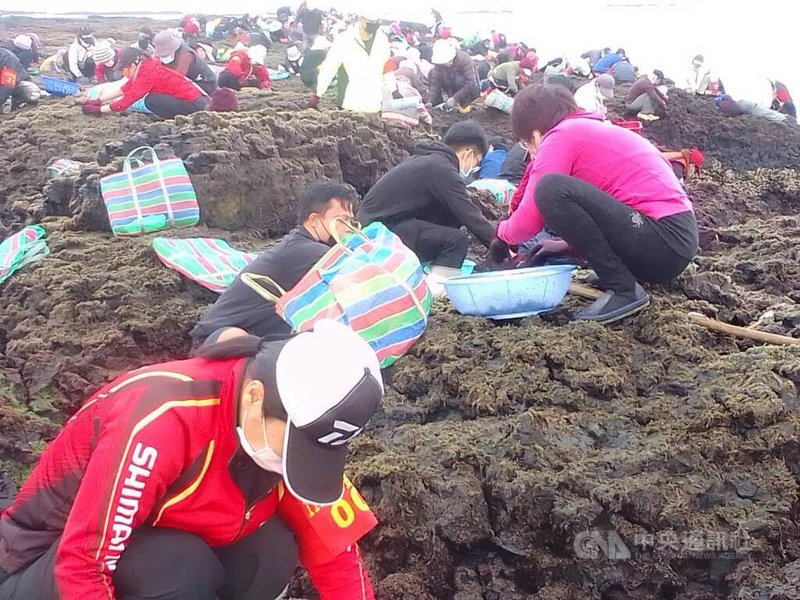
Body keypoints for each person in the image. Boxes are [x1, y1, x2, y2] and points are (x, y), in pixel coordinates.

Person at [0, 318, 384, 600]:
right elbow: (82, 563)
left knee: (271, 552)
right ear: (253, 397)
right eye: (292, 446)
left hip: (159, 538)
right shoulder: (162, 419)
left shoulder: (297, 429)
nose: (293, 462)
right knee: (179, 568)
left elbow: (337, 553)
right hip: (40, 564)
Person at [491, 85, 698, 323]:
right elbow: (601, 210)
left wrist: (501, 233)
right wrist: (567, 246)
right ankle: (622, 277)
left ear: (535, 133)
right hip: (668, 244)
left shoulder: (562, 135)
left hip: (664, 241)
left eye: (527, 143)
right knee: (556, 189)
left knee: (550, 188)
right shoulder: (587, 129)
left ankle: (623, 290)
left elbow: (529, 220)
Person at [191, 182, 358, 345]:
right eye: (342, 221)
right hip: (216, 339)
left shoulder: (300, 244)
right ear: (314, 220)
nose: (349, 228)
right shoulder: (306, 251)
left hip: (255, 338)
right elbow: (361, 269)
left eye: (351, 221)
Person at [357, 121, 495, 282]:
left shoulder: (427, 161)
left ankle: (421, 276)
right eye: (477, 161)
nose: (474, 167)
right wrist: (503, 246)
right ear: (468, 153)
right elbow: (470, 215)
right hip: (381, 235)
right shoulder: (441, 169)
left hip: (375, 228)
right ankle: (434, 289)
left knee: (450, 219)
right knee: (456, 241)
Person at [82, 47, 210, 119]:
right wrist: (99, 100)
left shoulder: (146, 75)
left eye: (123, 69)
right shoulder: (146, 66)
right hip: (198, 98)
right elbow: (125, 88)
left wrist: (99, 110)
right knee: (152, 98)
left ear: (132, 65)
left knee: (151, 100)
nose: (123, 73)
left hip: (194, 104)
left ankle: (178, 118)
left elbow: (125, 102)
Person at [307, 14, 390, 112]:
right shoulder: (344, 39)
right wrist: (318, 93)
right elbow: (329, 67)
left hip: (374, 104)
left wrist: (394, 90)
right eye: (371, 21)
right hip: (349, 104)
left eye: (378, 22)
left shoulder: (382, 39)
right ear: (361, 18)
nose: (375, 24)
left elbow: (387, 66)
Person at [154, 29, 217, 95]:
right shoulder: (163, 57)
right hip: (188, 81)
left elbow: (177, 79)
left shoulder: (185, 55)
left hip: (205, 84)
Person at [427, 39, 480, 112]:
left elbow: (471, 82)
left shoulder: (464, 59)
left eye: (449, 61)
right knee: (431, 73)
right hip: (450, 86)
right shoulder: (438, 65)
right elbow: (435, 83)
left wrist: (455, 98)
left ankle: (465, 106)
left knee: (459, 80)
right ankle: (438, 103)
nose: (448, 64)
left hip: (470, 90)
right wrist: (430, 100)